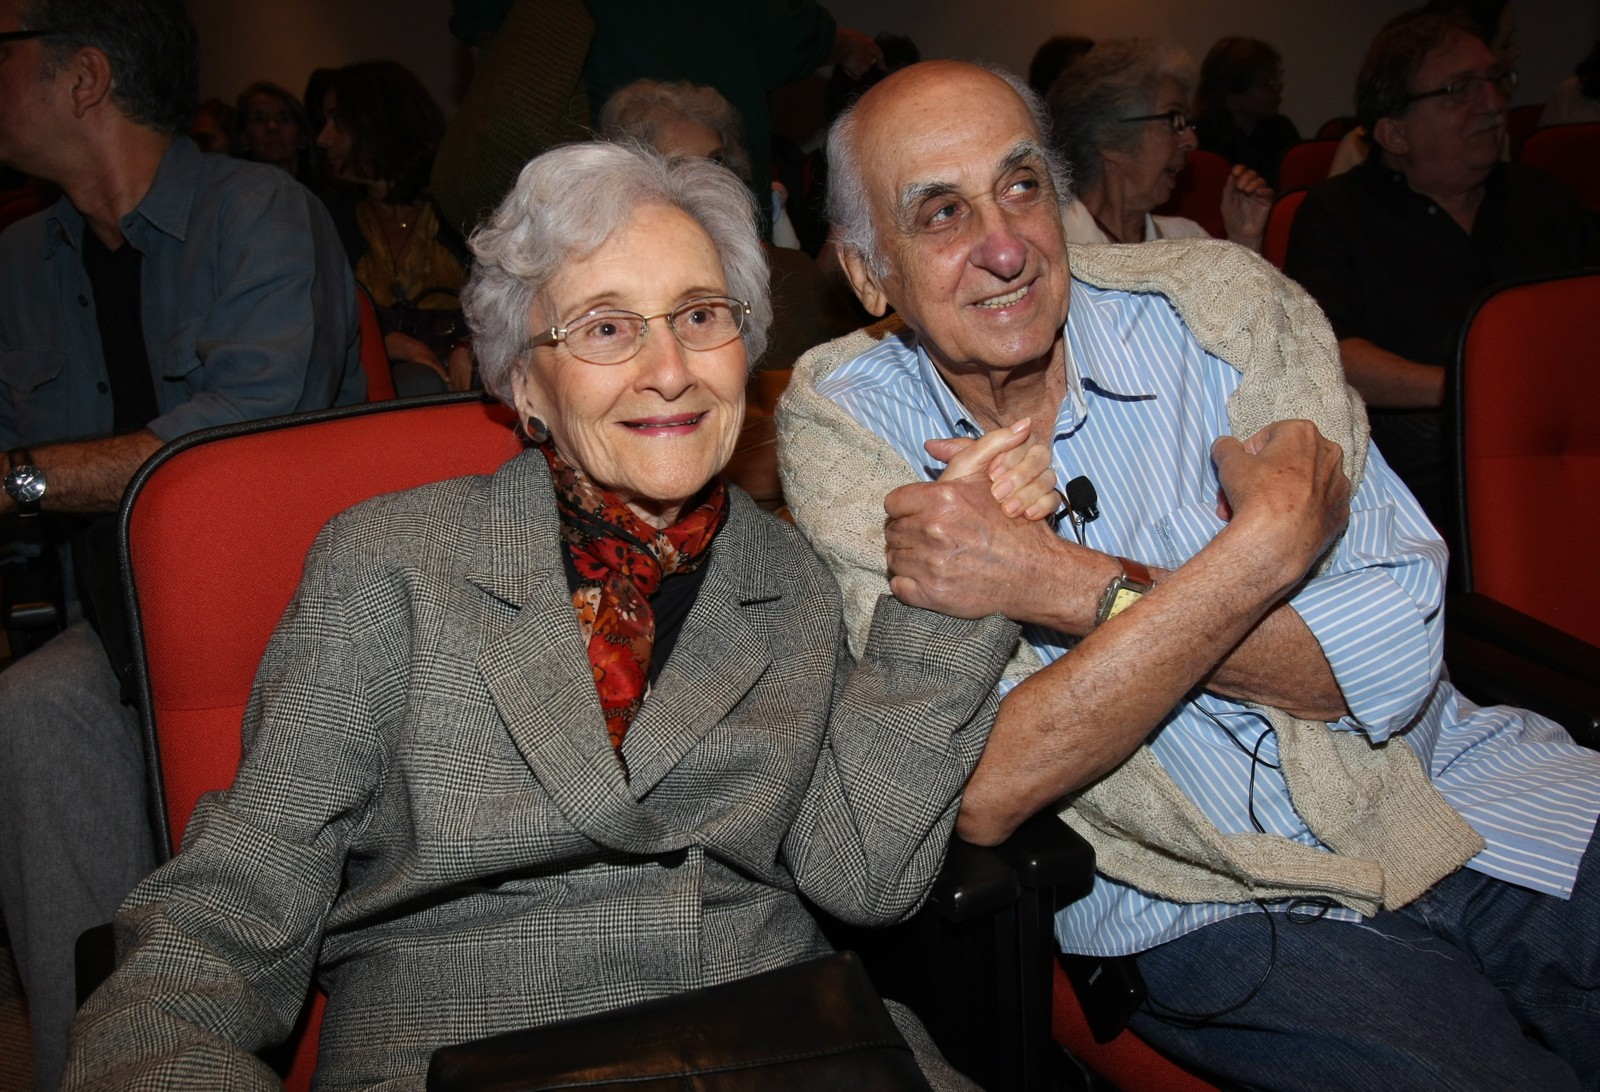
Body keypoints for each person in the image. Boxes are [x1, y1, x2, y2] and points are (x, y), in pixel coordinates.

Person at [61, 141, 1059, 1090]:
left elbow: (863, 878)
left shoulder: (783, 574)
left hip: (768, 1034)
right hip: (454, 1046)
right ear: (524, 384)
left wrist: (945, 602)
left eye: (701, 315)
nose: (669, 367)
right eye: (606, 327)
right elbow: (240, 896)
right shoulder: (392, 561)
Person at [776, 59, 1600, 1089]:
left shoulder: (1226, 306)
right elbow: (984, 784)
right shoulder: (844, 424)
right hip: (1212, 900)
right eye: (940, 214)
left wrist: (1060, 582)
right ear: (866, 273)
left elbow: (1388, 654)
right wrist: (1267, 549)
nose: (1003, 246)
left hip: (1463, 789)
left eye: (1021, 186)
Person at [0, 0, 365, 1088]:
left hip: (282, 608)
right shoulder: (23, 257)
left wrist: (25, 480)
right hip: (116, 619)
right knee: (31, 713)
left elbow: (226, 451)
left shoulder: (258, 212)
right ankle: (105, 1060)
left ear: (82, 80)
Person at [1285, 13, 1591, 525]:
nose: (1493, 103)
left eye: (1495, 81)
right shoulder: (1337, 215)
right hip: (1425, 449)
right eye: (1459, 90)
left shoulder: (1542, 197)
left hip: (1568, 430)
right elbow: (1327, 352)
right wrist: (1471, 388)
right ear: (1394, 134)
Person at [317, 60, 472, 396]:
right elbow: (322, 317)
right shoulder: (330, 216)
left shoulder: (457, 201)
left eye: (337, 121)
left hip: (470, 368)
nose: (322, 138)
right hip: (390, 379)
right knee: (417, 384)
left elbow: (507, 296)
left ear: (379, 123)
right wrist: (389, 342)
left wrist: (469, 344)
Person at [1048, 39, 1273, 252]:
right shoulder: (1055, 248)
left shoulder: (1189, 240)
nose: (1191, 141)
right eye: (1172, 119)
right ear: (1109, 140)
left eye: (1187, 122)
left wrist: (1245, 241)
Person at [1194, 36, 1300, 187]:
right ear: (1231, 98)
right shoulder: (1201, 140)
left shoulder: (1281, 131)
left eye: (1275, 81)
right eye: (1266, 84)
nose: (1277, 88)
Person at [231, 80, 318, 187]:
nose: (272, 127)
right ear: (242, 137)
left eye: (284, 119)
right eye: (259, 119)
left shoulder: (324, 199)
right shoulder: (233, 192)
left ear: (303, 134)